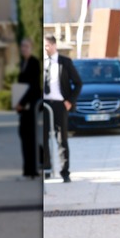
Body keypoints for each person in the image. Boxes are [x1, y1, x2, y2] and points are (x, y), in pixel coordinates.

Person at [42, 34, 82, 183]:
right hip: (44, 105)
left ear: (53, 45)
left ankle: (65, 172)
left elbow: (78, 83)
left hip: (60, 105)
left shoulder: (64, 62)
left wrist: (70, 101)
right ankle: (46, 169)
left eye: (46, 46)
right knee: (43, 138)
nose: (44, 49)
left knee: (61, 139)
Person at [15, 38, 41, 180]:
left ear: (31, 48)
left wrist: (22, 102)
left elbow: (32, 86)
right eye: (22, 46)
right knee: (24, 136)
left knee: (30, 138)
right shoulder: (23, 63)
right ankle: (27, 169)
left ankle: (31, 171)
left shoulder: (34, 63)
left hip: (30, 106)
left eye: (26, 46)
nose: (23, 48)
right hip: (23, 107)